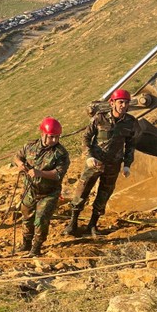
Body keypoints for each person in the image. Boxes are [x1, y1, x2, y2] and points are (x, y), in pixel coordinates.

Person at [64, 89, 138, 237]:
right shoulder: (100, 118)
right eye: (120, 102)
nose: (123, 105)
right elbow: (86, 138)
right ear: (112, 103)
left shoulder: (130, 123)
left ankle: (92, 224)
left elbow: (130, 145)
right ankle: (73, 223)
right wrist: (89, 156)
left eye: (126, 102)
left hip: (113, 165)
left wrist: (127, 164)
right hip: (95, 163)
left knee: (104, 195)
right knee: (82, 191)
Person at [14, 117, 71, 257]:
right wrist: (20, 164)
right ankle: (26, 243)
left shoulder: (61, 153)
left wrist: (40, 173)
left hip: (49, 193)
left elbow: (58, 174)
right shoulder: (30, 146)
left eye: (57, 137)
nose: (54, 140)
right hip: (30, 190)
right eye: (51, 137)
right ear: (43, 134)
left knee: (41, 219)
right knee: (26, 216)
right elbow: (17, 157)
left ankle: (36, 248)